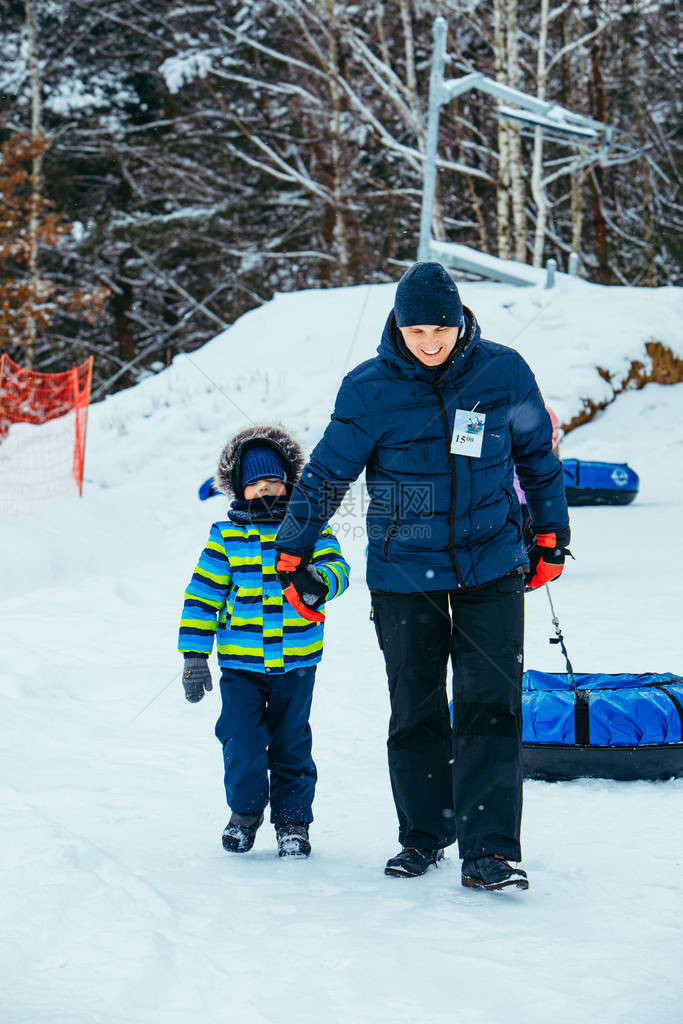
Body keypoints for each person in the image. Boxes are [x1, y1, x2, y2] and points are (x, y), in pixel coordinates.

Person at [275, 262, 570, 890]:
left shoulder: (503, 372)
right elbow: (328, 474)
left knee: (492, 705)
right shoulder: (368, 389)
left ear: (461, 319)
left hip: (491, 562)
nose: (431, 342)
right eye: (417, 331)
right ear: (397, 328)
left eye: (442, 327)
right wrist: (292, 550)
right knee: (416, 707)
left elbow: (538, 458)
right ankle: (424, 836)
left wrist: (551, 533)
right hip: (406, 572)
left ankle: (490, 850)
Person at [178, 424, 350, 858]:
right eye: (255, 483)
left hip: (297, 662)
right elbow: (202, 598)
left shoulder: (309, 529)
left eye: (273, 481)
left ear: (289, 483)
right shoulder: (226, 537)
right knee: (241, 741)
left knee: (293, 744)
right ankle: (245, 812)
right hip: (241, 665)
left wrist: (320, 582)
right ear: (239, 490)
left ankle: (293, 822)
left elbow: (338, 568)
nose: (266, 489)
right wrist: (194, 655)